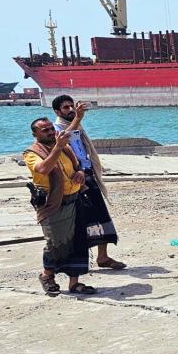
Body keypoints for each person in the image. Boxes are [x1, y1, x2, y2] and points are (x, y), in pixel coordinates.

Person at [52, 95, 126, 271]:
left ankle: (103, 257)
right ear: (57, 111)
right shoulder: (56, 129)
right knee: (79, 221)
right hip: (74, 179)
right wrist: (77, 118)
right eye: (65, 108)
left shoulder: (78, 126)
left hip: (87, 174)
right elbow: (64, 139)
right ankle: (75, 262)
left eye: (72, 106)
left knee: (101, 215)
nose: (70, 110)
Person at [24, 116, 94, 296]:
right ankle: (47, 275)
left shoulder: (66, 148)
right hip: (54, 205)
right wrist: (58, 147)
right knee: (56, 243)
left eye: (50, 128)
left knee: (78, 242)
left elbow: (77, 166)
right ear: (35, 134)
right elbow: (43, 169)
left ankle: (74, 283)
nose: (50, 131)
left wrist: (78, 173)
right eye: (44, 130)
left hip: (74, 199)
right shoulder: (32, 153)